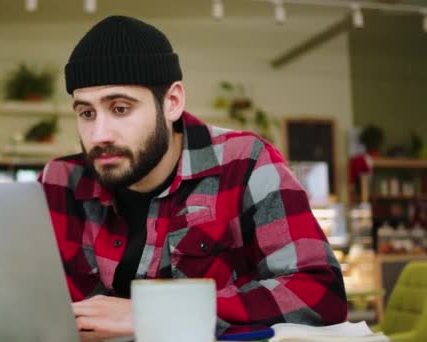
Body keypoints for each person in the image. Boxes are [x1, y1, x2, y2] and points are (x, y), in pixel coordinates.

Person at [38, 15, 347, 342]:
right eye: (86, 113)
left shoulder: (244, 163)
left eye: (120, 108)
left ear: (172, 103)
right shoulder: (60, 181)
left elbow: (320, 294)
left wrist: (153, 316)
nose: (99, 135)